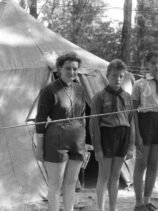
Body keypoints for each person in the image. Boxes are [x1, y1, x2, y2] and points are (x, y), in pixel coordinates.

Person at [35, 52, 86, 211]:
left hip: (77, 141)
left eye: (75, 69)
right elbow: (40, 120)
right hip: (55, 141)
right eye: (68, 68)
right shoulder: (49, 90)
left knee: (71, 182)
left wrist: (84, 141)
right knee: (55, 185)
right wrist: (40, 147)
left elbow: (82, 115)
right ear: (59, 69)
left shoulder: (80, 89)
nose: (72, 72)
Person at [89, 59, 135, 211]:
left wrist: (130, 146)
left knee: (115, 176)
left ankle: (113, 208)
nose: (118, 79)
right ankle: (101, 208)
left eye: (121, 76)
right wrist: (97, 148)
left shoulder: (127, 97)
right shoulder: (99, 97)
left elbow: (131, 122)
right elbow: (94, 123)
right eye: (114, 75)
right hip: (107, 136)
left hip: (123, 136)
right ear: (107, 75)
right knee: (104, 175)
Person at [132, 51, 158, 211]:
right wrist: (137, 135)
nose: (156, 66)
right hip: (145, 123)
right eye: (153, 63)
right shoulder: (139, 84)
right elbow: (133, 111)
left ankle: (147, 200)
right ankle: (138, 203)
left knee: (153, 164)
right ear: (147, 64)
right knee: (141, 164)